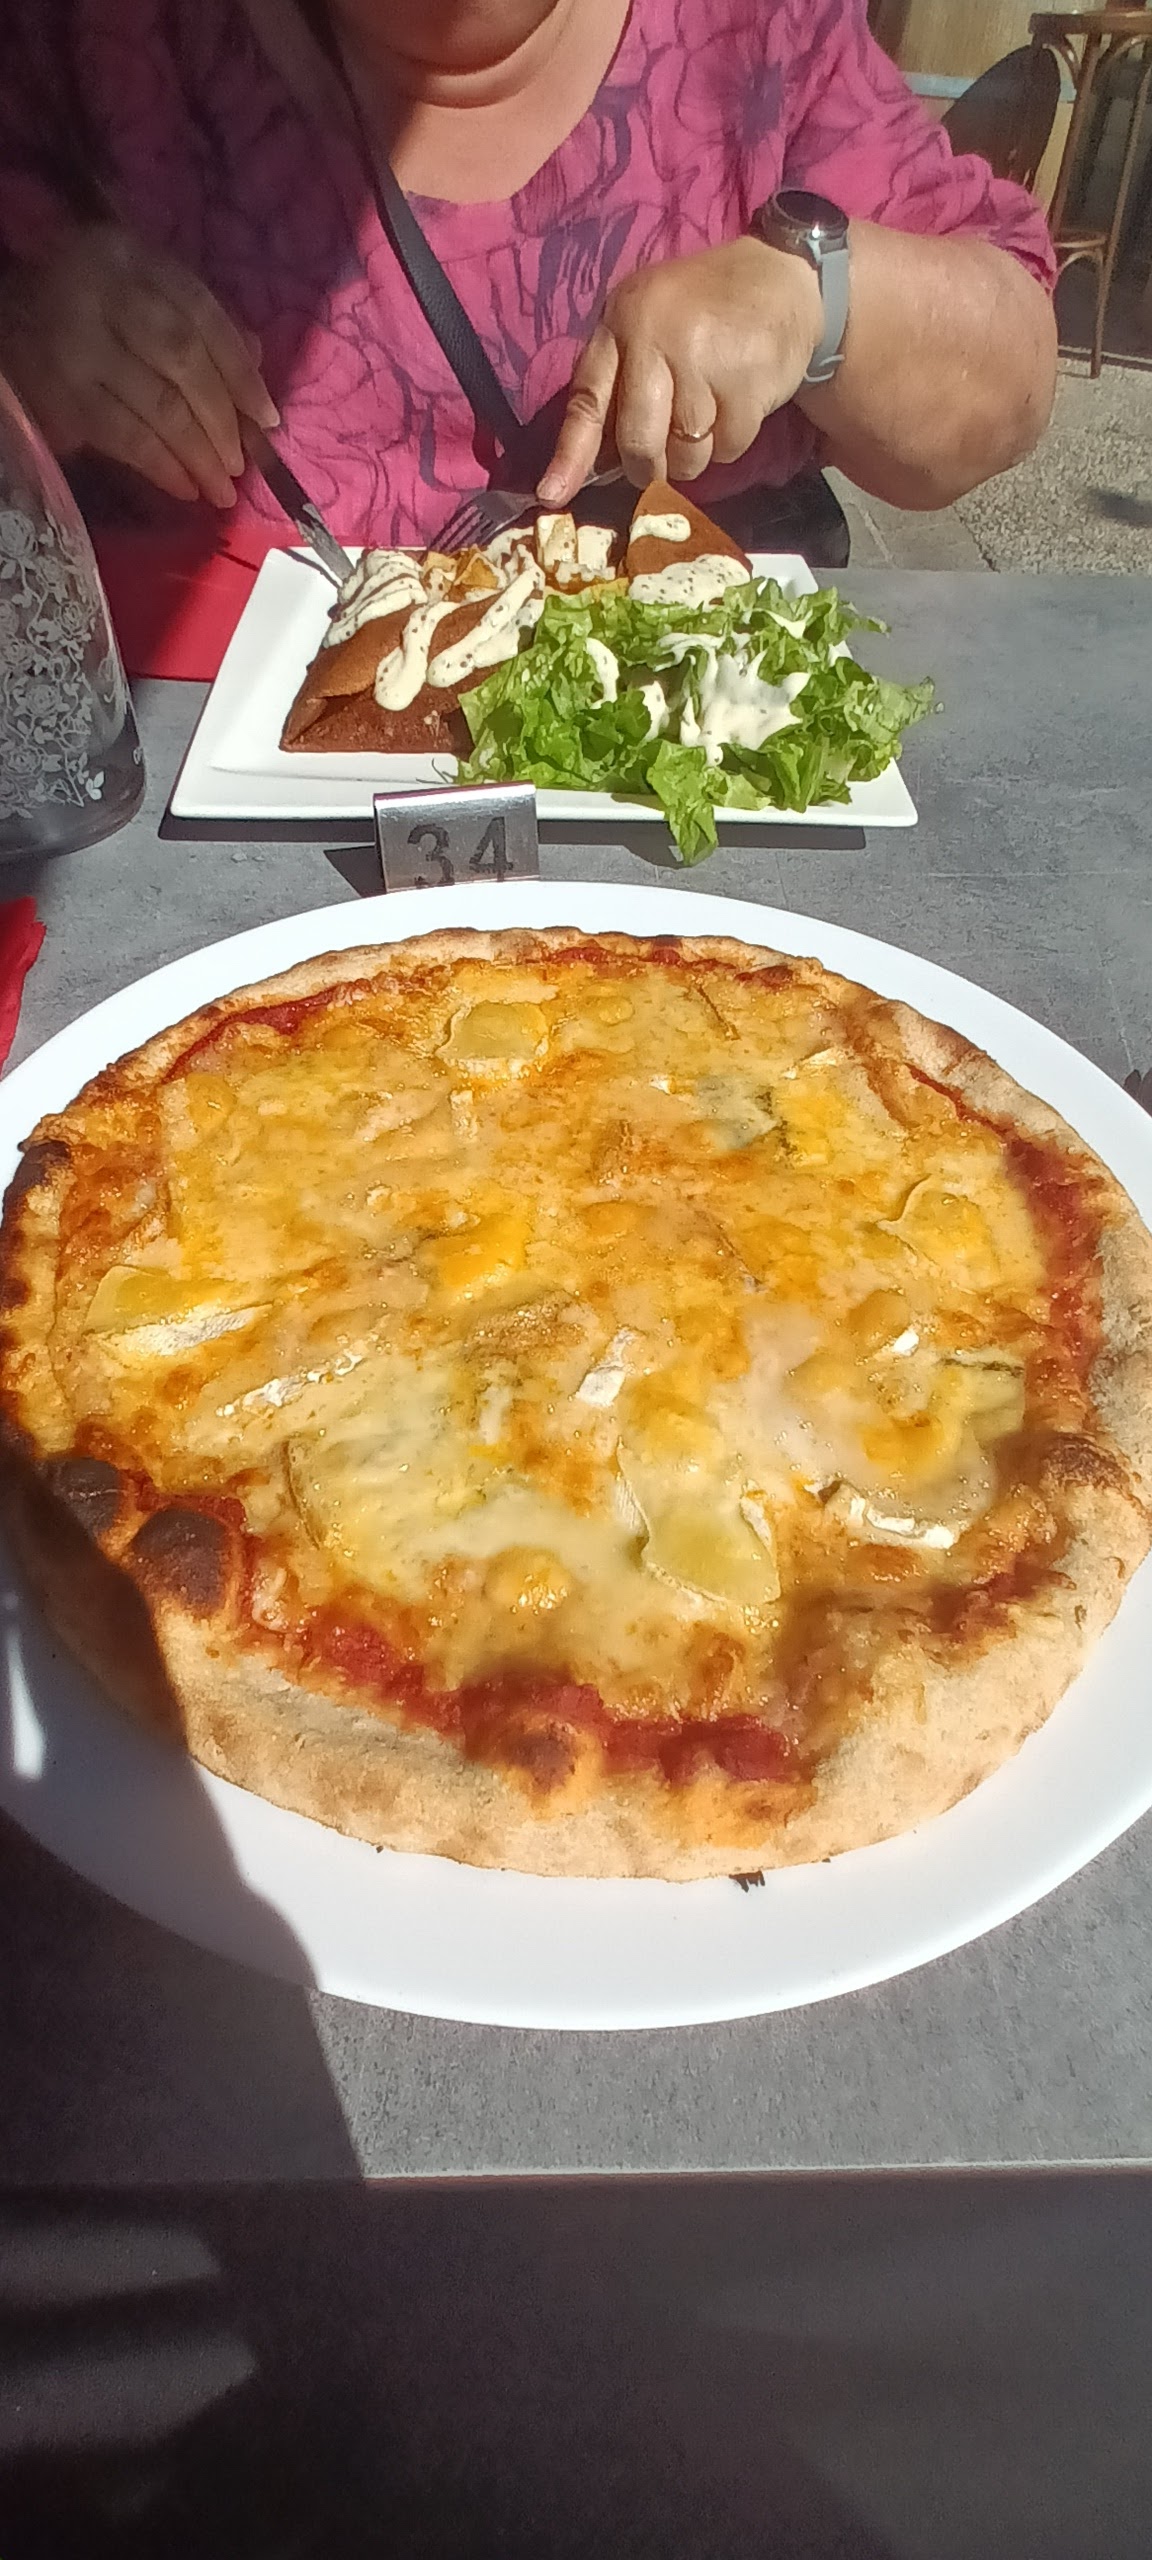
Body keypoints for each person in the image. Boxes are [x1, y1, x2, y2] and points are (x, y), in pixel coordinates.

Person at [0, 0, 1057, 555]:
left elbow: (1007, 387)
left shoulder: (758, 25)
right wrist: (25, 336)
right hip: (210, 795)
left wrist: (811, 298)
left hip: (696, 798)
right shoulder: (96, 34)